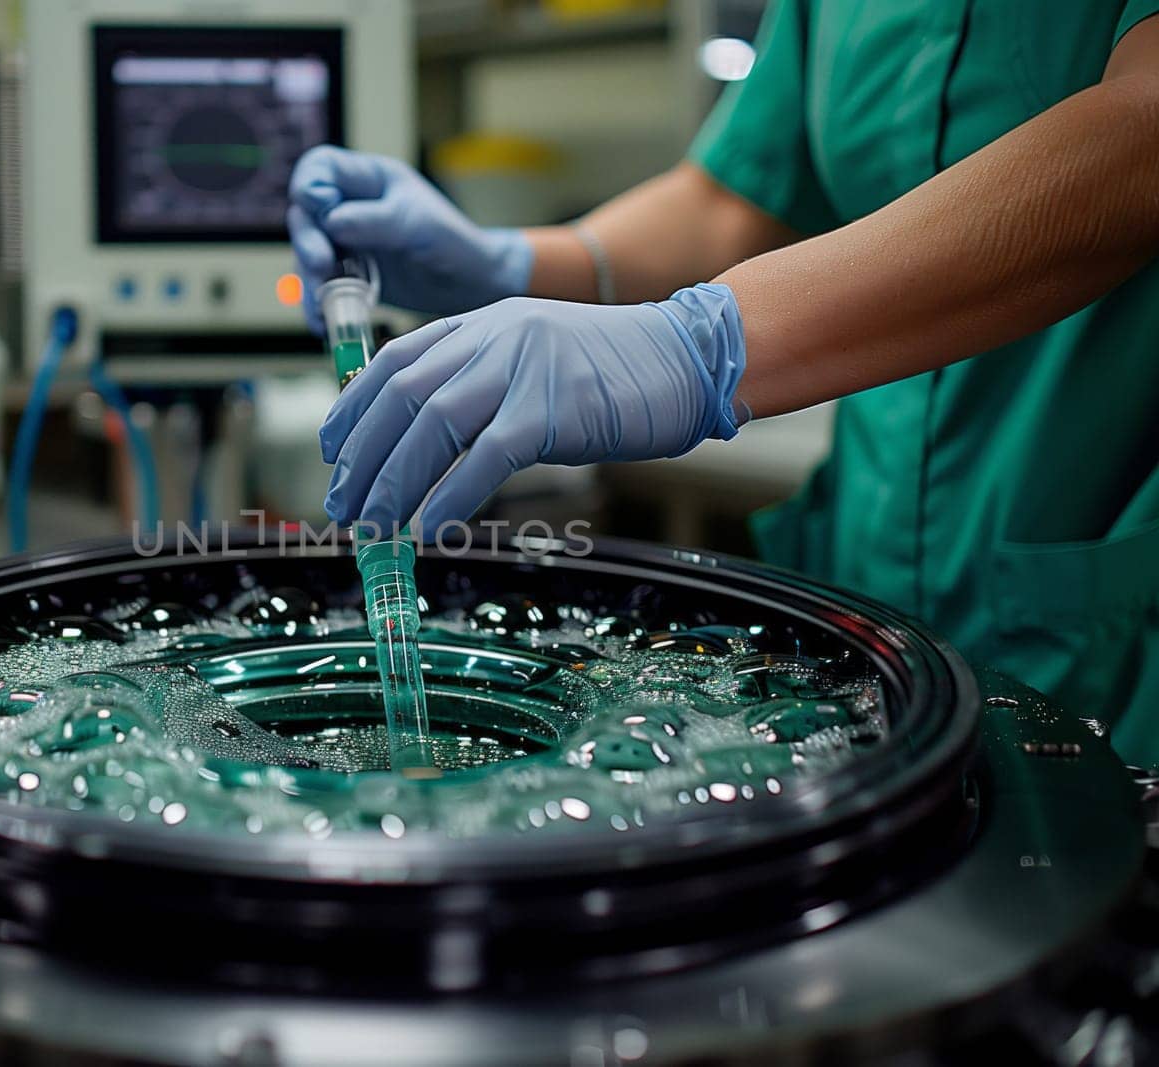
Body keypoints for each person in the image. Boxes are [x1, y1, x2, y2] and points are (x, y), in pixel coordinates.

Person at [287, 2, 1159, 763]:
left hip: (1106, 614)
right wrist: (513, 263)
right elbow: (737, 199)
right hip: (875, 591)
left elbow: (1142, 135)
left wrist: (698, 346)